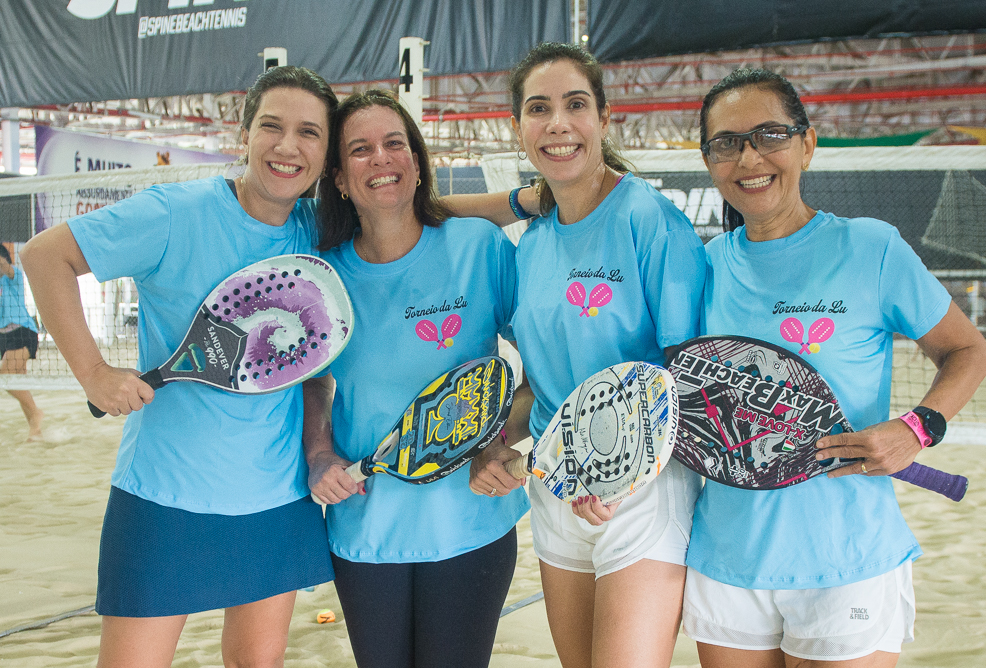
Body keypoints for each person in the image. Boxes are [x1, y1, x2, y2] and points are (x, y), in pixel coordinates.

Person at [20, 66, 337, 668]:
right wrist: (94, 373)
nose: (288, 146)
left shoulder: (319, 231)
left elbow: (420, 209)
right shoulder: (174, 212)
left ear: (326, 152)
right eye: (271, 126)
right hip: (163, 496)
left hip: (276, 497)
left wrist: (521, 200)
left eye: (309, 133)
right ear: (244, 135)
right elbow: (44, 256)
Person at [683, 67, 986, 668]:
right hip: (727, 557)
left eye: (770, 134)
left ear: (807, 143)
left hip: (845, 558)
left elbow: (968, 351)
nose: (749, 157)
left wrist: (916, 429)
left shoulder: (871, 247)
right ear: (709, 161)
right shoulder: (701, 266)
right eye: (727, 143)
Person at [304, 89, 531, 668]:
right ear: (337, 176)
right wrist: (320, 453)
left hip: (470, 522)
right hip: (365, 523)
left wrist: (498, 441)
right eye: (360, 149)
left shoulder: (476, 246)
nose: (380, 159)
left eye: (393, 144)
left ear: (416, 158)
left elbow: (541, 367)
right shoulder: (323, 274)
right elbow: (314, 381)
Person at [502, 42, 707, 668]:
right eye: (539, 108)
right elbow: (540, 383)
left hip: (643, 488)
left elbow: (689, 372)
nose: (557, 124)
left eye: (575, 105)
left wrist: (621, 471)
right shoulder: (530, 242)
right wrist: (491, 443)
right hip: (556, 481)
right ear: (518, 127)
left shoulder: (651, 219)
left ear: (604, 118)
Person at [0, 243, 44, 441]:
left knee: (6, 377)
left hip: (22, 331)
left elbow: (4, 265)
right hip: (4, 337)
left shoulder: (13, 276)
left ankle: (36, 413)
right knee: (18, 381)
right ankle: (35, 430)